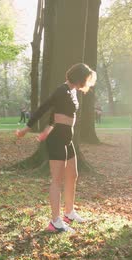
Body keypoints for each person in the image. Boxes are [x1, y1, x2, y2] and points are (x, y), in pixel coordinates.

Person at [16, 63, 97, 233]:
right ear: (79, 77)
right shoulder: (61, 90)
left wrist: (48, 128)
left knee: (73, 175)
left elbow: (56, 114)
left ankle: (69, 212)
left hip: (68, 137)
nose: (87, 81)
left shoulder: (72, 91)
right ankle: (55, 222)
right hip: (57, 139)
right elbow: (43, 108)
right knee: (57, 180)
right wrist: (27, 128)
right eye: (86, 78)